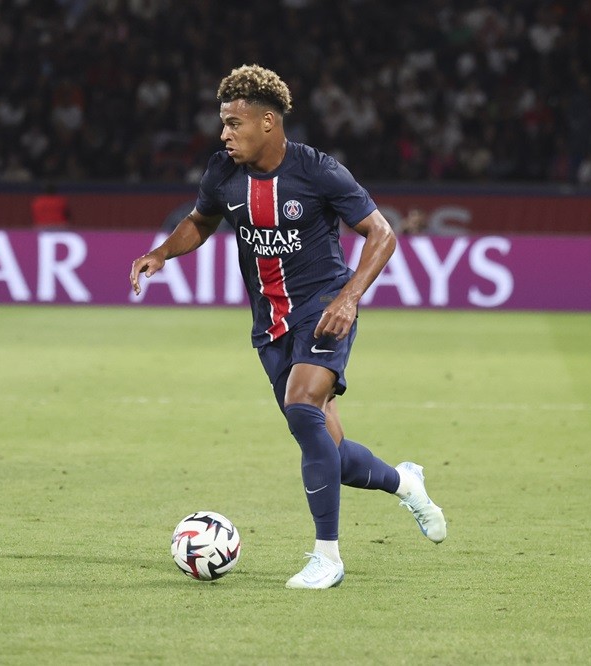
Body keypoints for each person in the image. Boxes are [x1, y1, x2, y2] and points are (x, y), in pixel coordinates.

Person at [129, 65, 446, 590]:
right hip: (269, 326)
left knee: (302, 408)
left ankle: (328, 558)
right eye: (223, 123)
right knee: (334, 454)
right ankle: (406, 483)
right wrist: (161, 253)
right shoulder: (223, 172)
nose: (225, 133)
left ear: (269, 122)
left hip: (323, 310)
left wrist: (349, 297)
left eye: (235, 122)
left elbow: (381, 233)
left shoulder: (317, 171)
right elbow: (202, 220)